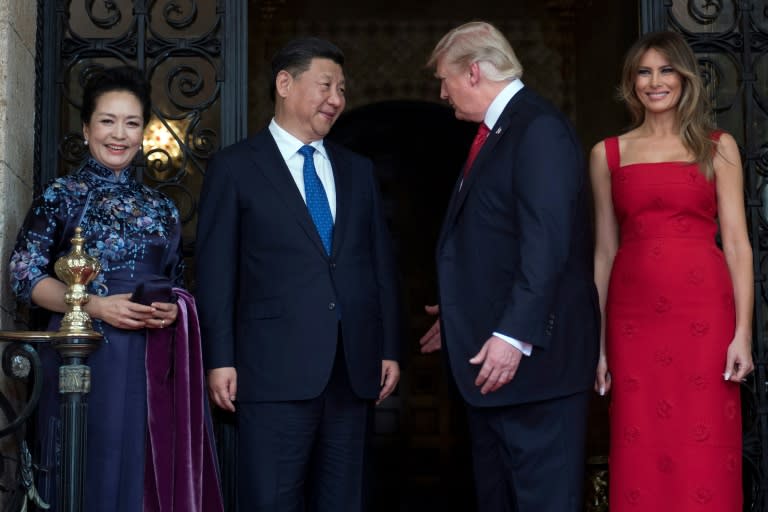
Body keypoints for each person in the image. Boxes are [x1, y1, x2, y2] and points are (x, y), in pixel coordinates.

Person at [195, 37, 403, 511]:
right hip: (267, 371)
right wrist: (219, 358)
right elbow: (216, 271)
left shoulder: (358, 171)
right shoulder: (235, 167)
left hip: (351, 370)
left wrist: (389, 346)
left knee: (343, 500)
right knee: (270, 500)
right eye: (326, 85)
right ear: (284, 84)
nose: (337, 99)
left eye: (342, 90)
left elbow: (380, 266)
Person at [9, 66, 223, 512]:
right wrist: (97, 306)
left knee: (140, 475)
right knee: (82, 472)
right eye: (107, 121)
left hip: (148, 363)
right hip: (79, 357)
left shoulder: (162, 208)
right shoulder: (61, 195)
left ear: (145, 130)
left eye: (131, 122)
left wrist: (173, 310)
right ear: (86, 128)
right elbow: (24, 275)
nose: (119, 134)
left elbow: (177, 286)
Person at [419, 21, 599, 512]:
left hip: (535, 373)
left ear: (473, 72)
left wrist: (513, 334)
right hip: (498, 375)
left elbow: (547, 244)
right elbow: (493, 242)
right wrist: (460, 317)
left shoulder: (536, 129)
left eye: (444, 80)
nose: (442, 93)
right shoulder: (499, 130)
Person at [590, 31, 753, 511]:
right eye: (644, 71)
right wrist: (597, 344)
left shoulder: (718, 147)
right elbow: (603, 251)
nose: (654, 82)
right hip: (633, 320)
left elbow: (739, 245)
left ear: (685, 78)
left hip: (704, 317)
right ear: (630, 82)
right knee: (640, 444)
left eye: (665, 70)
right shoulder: (607, 154)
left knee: (704, 449)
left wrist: (742, 334)